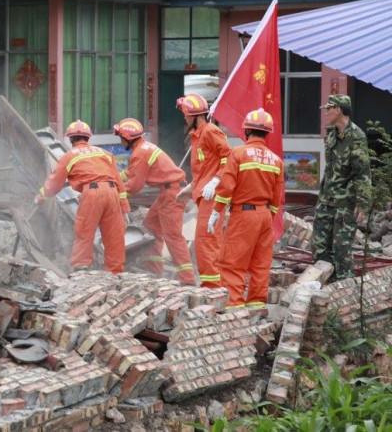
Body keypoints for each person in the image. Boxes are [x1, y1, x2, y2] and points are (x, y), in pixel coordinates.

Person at [207, 108, 284, 312]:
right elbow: (277, 198)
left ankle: (233, 308)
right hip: (266, 215)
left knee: (233, 262)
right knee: (260, 264)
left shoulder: (238, 153)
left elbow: (226, 187)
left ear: (246, 131)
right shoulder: (276, 160)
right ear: (267, 133)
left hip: (244, 214)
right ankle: (257, 307)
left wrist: (216, 211)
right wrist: (267, 217)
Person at [35, 120, 130, 274]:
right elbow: (119, 182)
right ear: (88, 138)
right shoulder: (105, 154)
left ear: (71, 139)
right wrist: (125, 208)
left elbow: (54, 182)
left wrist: (40, 197)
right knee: (114, 236)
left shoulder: (68, 156)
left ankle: (81, 270)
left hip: (91, 194)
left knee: (84, 231)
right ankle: (116, 273)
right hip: (112, 193)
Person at [112, 118, 195, 285]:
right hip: (169, 191)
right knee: (151, 225)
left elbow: (134, 186)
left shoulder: (140, 153)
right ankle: (154, 270)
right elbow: (130, 172)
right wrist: (114, 178)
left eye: (121, 137)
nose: (120, 141)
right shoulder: (143, 148)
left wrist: (114, 190)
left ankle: (188, 281)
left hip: (172, 193)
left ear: (128, 138)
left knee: (173, 235)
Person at [311, 94, 371, 282]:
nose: (325, 113)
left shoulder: (357, 136)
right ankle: (325, 287)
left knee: (341, 251)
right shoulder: (331, 135)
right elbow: (329, 171)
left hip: (345, 203)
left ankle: (344, 291)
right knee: (319, 246)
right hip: (326, 200)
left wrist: (362, 204)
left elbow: (363, 172)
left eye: (328, 109)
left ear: (338, 110)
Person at [175, 93, 232, 288]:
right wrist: (189, 189)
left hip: (212, 196)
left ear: (194, 114)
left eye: (185, 114)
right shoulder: (198, 136)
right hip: (205, 194)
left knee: (206, 241)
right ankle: (214, 285)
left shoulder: (209, 131)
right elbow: (204, 169)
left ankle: (213, 288)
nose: (184, 118)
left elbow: (228, 158)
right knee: (208, 240)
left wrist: (215, 181)